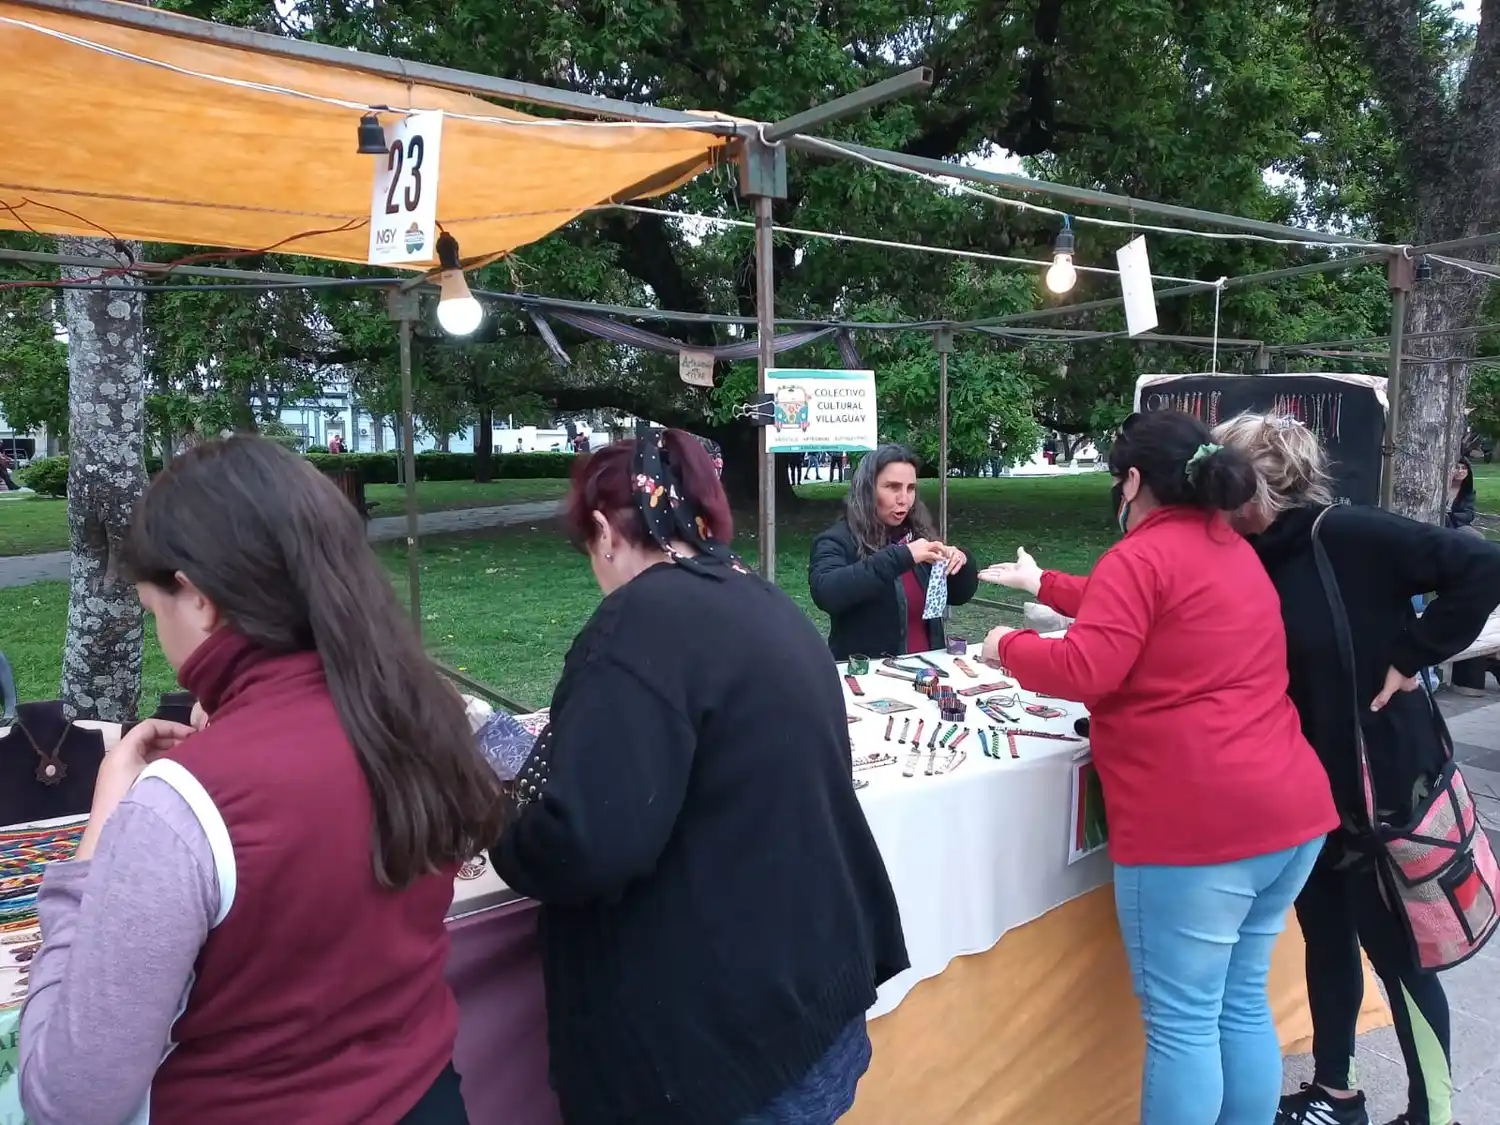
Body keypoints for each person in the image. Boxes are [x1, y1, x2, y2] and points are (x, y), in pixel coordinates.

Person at [20, 435, 502, 1125]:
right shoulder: (421, 718)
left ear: (199, 598)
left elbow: (70, 1098)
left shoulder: (182, 805)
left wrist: (102, 829)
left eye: (154, 609)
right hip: (423, 1096)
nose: (161, 632)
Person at [491, 428, 907, 1125]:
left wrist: (495, 811)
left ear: (605, 530)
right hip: (812, 1008)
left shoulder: (637, 625)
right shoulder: (764, 601)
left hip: (724, 1057)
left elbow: (584, 846)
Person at [978, 410, 1338, 1125]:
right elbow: (1136, 609)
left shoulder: (1144, 555)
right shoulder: (1226, 544)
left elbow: (1090, 662)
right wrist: (1043, 582)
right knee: (1239, 1000)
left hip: (1203, 832)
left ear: (1134, 480)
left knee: (1183, 1025)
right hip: (1290, 817)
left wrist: (1005, 645)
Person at [1215, 413, 1500, 1125]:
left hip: (1381, 790)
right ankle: (1335, 1092)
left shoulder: (1347, 534)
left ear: (1253, 481)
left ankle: (1433, 1113)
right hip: (1307, 793)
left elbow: (1483, 565)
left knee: (1401, 956)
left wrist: (1413, 654)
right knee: (1328, 939)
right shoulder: (1248, 552)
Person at [809, 444, 979, 660]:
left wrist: (961, 563)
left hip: (927, 671)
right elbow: (827, 593)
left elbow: (957, 596)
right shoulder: (837, 540)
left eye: (910, 488)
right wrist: (902, 556)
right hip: (870, 676)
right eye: (893, 487)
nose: (904, 499)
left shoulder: (917, 533)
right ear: (868, 490)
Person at [1447, 458, 1478, 533]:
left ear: (1468, 472)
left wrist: (1452, 515)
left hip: (1458, 525)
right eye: (1456, 468)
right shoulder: (1440, 487)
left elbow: (1470, 514)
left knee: (1477, 537)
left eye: (1464, 468)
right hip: (1439, 523)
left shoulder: (1468, 491)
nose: (1460, 471)